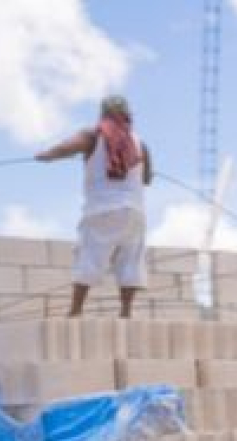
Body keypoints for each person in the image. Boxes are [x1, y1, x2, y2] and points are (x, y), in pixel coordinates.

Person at [35, 95, 152, 318]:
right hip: (135, 212)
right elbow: (147, 178)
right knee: (130, 259)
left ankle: (76, 310)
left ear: (103, 113)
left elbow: (64, 147)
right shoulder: (140, 145)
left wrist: (46, 155)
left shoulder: (94, 135)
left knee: (89, 255)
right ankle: (126, 312)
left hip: (103, 209)